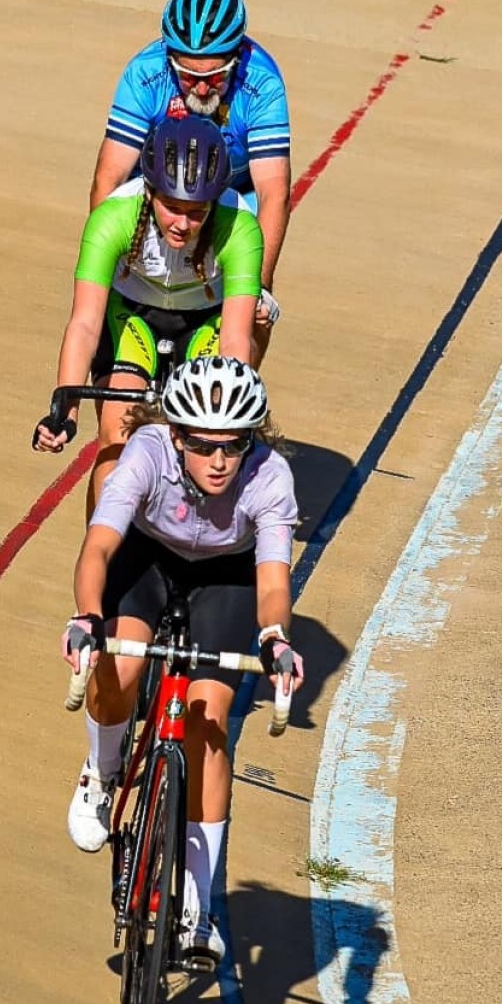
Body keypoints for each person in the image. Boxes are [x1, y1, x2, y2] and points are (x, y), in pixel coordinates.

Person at [60, 356, 303, 967]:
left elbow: (272, 580)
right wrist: (88, 616)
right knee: (120, 669)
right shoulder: (145, 452)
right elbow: (99, 547)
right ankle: (102, 768)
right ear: (175, 435)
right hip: (147, 557)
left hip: (225, 576)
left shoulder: (270, 476)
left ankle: (197, 907)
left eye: (233, 445)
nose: (220, 461)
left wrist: (275, 636)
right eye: (203, 445)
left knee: (209, 722)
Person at [33, 115, 264, 517]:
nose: (183, 224)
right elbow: (86, 323)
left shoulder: (240, 226)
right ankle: (104, 556)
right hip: (132, 317)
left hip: (205, 323)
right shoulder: (113, 217)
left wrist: (225, 422)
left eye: (196, 212)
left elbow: (235, 339)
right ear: (149, 191)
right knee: (116, 438)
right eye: (171, 207)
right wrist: (65, 406)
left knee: (204, 440)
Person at [90, 0, 291, 363]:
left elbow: (274, 192)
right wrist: (105, 258)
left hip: (232, 193)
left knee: (254, 317)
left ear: (237, 57)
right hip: (159, 190)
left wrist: (259, 286)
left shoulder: (262, 82)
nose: (201, 89)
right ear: (169, 59)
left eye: (214, 76)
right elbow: (109, 178)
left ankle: (235, 402)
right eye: (188, 76)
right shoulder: (144, 74)